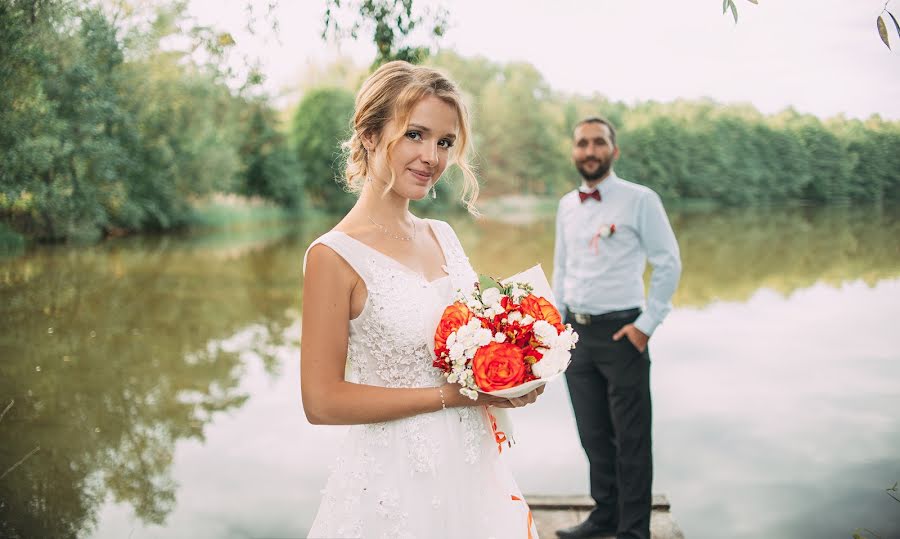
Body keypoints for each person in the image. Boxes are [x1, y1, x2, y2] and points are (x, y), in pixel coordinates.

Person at [301, 61, 542, 539]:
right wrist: (453, 396)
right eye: (415, 134)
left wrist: (515, 372)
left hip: (473, 464)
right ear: (370, 134)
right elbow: (321, 401)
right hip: (394, 481)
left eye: (445, 142)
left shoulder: (444, 235)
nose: (431, 156)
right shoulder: (334, 256)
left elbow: (469, 346)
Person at [552, 118, 682, 539]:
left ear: (614, 150)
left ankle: (633, 530)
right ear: (574, 151)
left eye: (598, 142)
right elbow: (561, 267)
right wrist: (556, 324)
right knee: (592, 434)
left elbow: (668, 263)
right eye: (582, 143)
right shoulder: (567, 205)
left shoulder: (640, 200)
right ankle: (605, 515)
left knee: (631, 439)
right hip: (576, 336)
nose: (590, 150)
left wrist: (646, 326)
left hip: (623, 333)